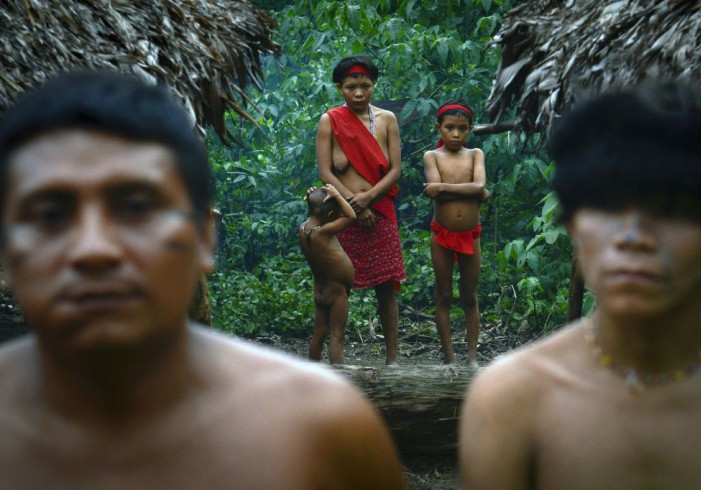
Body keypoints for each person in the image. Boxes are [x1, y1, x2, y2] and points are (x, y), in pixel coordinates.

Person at [0, 71, 405, 489]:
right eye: (50, 215)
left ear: (204, 238)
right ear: (5, 252)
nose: (93, 249)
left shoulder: (321, 425)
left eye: (136, 208)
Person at [459, 82, 701, 489]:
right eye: (607, 205)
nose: (632, 236)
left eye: (672, 211)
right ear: (572, 225)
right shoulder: (513, 398)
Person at [316, 56, 406, 366]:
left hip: (379, 209)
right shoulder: (330, 120)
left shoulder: (388, 120)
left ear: (373, 86)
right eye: (351, 87)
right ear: (339, 87)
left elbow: (395, 171)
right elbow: (326, 173)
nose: (358, 93)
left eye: (365, 86)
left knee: (386, 288)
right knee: (338, 286)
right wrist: (354, 202)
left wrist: (368, 199)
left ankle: (393, 361)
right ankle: (335, 358)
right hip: (342, 213)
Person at [423, 102, 488, 366]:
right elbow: (477, 189)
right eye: (449, 128)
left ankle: (472, 358)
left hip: (471, 234)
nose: (456, 134)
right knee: (444, 295)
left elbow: (480, 185)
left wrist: (442, 188)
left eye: (462, 129)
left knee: (470, 296)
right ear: (439, 128)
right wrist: (474, 190)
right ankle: (450, 358)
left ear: (470, 130)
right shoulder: (432, 156)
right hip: (442, 234)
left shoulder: (475, 154)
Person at [299, 184, 356, 364]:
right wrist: (338, 195)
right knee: (337, 334)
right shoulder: (324, 232)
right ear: (331, 216)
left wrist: (314, 196)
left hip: (321, 290)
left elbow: (318, 208)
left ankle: (312, 371)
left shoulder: (303, 229)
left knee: (320, 331)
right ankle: (339, 374)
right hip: (336, 292)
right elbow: (351, 216)